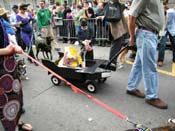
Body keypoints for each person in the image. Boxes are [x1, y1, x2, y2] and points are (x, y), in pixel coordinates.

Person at [126, 0, 168, 109]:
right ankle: (151, 96)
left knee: (139, 64)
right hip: (146, 34)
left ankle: (131, 87)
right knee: (150, 67)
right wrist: (132, 37)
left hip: (149, 34)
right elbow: (131, 16)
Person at [0, 9, 33, 131]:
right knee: (5, 101)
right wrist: (6, 51)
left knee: (16, 95)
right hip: (1, 68)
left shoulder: (1, 20)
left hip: (8, 65)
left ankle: (17, 121)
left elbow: (7, 37)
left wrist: (14, 46)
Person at [157, 1, 175, 67]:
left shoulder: (171, 12)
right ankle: (160, 60)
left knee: (174, 43)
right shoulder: (158, 12)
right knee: (162, 44)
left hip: (172, 28)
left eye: (164, 4)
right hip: (163, 29)